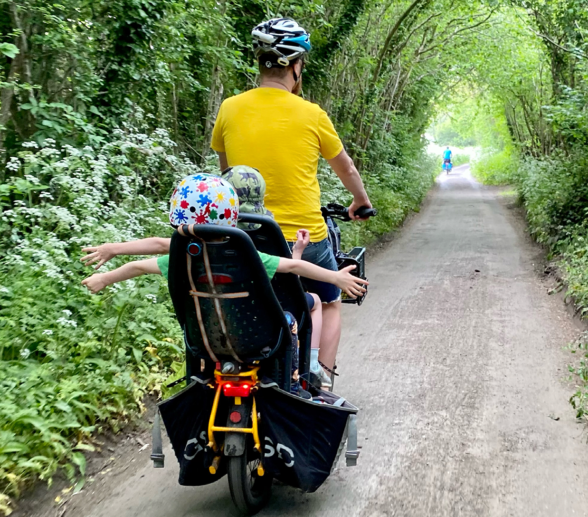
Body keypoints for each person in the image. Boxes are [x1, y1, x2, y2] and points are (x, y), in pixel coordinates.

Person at [81, 174, 367, 392]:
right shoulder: (248, 254)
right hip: (260, 335)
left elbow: (141, 261)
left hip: (206, 339)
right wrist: (335, 277)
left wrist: (105, 275)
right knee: (309, 307)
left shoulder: (182, 259)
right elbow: (292, 266)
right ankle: (304, 374)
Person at [210, 17, 374, 385]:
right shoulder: (311, 114)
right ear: (296, 66)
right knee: (330, 299)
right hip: (304, 236)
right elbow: (344, 166)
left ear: (261, 63)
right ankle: (318, 379)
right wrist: (359, 201)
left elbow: (228, 176)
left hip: (244, 237)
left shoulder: (229, 108)